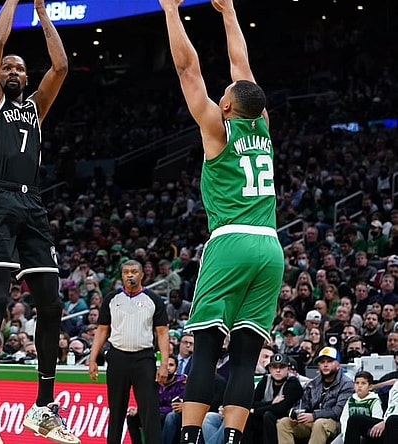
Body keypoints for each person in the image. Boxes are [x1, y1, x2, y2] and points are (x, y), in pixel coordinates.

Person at [159, 1, 285, 443]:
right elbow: (242, 65)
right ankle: (231, 439)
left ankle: (191, 438)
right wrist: (229, 11)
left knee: (209, 346)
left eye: (226, 91)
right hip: (271, 247)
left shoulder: (218, 126)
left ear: (228, 101)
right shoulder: (263, 124)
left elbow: (186, 68)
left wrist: (170, 10)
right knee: (247, 354)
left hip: (230, 240)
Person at [0, 0, 76, 443]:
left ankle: (44, 407)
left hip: (34, 205)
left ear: (27, 79)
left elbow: (62, 65)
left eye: (19, 68)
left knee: (51, 304)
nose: (12, 71)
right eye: (7, 67)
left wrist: (44, 15)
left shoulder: (35, 107)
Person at [88, 260, 170, 444]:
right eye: (126, 272)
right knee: (116, 409)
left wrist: (164, 364)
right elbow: (102, 330)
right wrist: (93, 359)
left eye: (134, 272)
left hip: (144, 358)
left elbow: (162, 333)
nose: (130, 275)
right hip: (117, 357)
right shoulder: (111, 298)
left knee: (149, 410)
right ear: (122, 276)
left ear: (142, 275)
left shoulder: (153, 300)